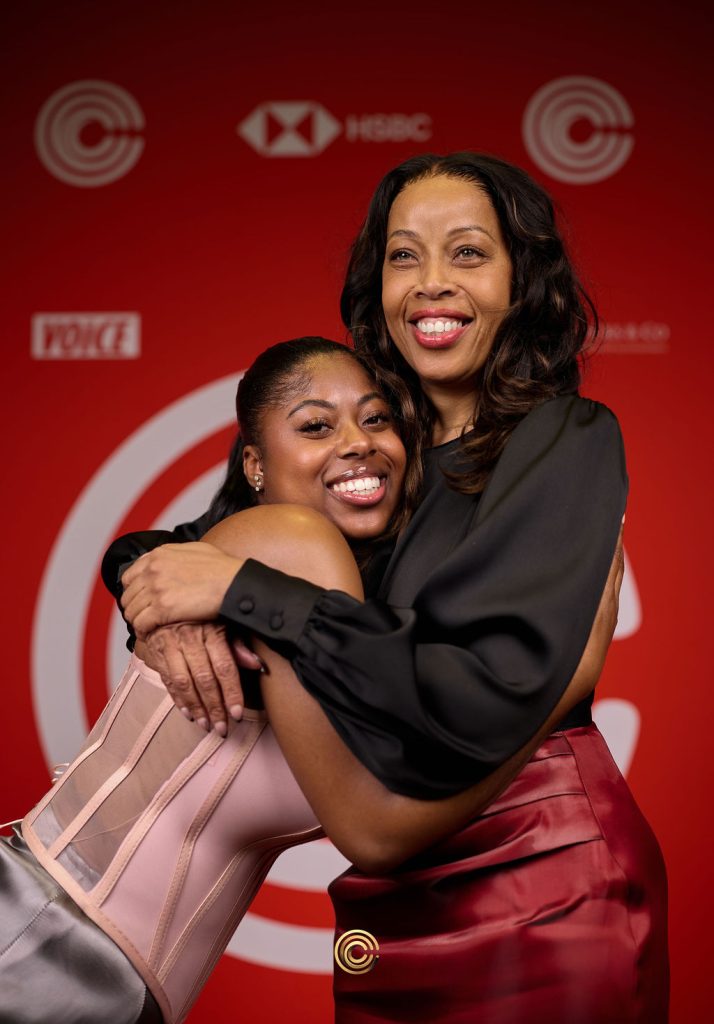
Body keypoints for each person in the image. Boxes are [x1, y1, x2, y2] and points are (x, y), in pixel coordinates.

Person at [113, 153, 668, 1023]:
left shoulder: (564, 436)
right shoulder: (377, 450)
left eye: (468, 252)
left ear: (522, 283)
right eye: (404, 255)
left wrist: (249, 595)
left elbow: (477, 695)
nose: (431, 282)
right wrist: (158, 608)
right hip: (391, 896)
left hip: (542, 871)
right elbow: (174, 549)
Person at [4, 337, 612, 1024]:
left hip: (96, 969)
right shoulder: (293, 546)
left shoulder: (324, 598)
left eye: (377, 419)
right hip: (42, 944)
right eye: (317, 426)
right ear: (255, 465)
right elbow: (376, 832)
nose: (358, 442)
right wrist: (557, 686)